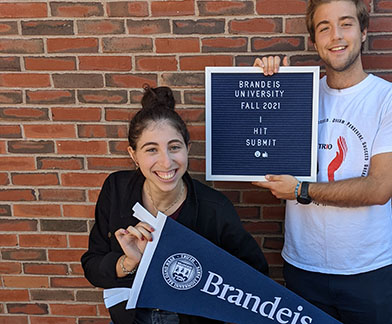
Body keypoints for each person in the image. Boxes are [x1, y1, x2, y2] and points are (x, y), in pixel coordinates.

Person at [252, 0, 392, 323]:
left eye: (346, 23)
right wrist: (267, 84)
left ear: (363, 32)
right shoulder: (296, 95)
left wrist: (302, 191)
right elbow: (258, 148)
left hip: (367, 272)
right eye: (324, 27)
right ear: (314, 41)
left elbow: (378, 189)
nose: (336, 36)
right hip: (303, 267)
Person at [81, 85, 268, 324]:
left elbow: (255, 279)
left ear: (188, 149)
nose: (166, 162)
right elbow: (92, 267)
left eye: (174, 147)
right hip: (131, 317)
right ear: (133, 155)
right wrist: (128, 263)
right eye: (151, 150)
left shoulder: (215, 209)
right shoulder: (116, 190)